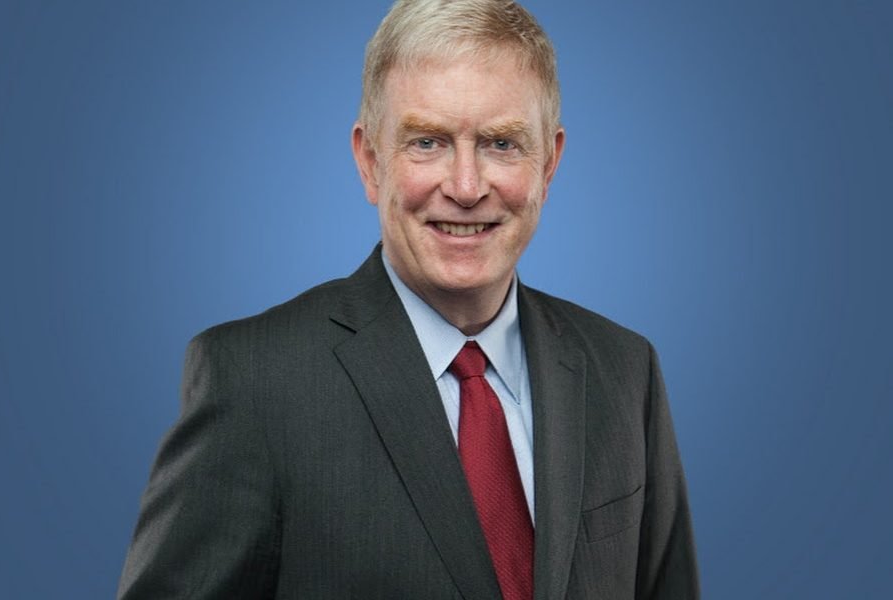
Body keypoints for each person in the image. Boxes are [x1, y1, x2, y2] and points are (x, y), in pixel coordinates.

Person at [118, 0, 699, 598]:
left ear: (549, 164)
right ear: (370, 162)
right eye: (427, 142)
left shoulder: (625, 371)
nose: (466, 187)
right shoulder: (252, 380)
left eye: (502, 143)